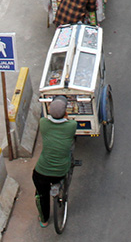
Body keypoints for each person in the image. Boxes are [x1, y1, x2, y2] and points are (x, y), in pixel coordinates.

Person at [32, 96, 78, 228]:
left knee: (41, 194)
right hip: (60, 171)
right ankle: (59, 186)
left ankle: (44, 219)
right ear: (65, 113)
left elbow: (46, 119)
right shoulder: (71, 126)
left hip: (41, 171)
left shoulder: (43, 124)